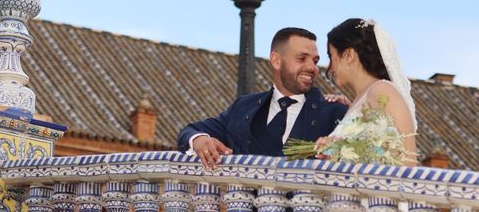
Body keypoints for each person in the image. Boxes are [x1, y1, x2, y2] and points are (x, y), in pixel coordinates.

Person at [177, 27, 348, 168]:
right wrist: (199, 140)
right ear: (275, 61)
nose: (312, 68)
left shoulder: (334, 112)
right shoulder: (243, 107)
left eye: (315, 61)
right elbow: (189, 131)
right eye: (302, 59)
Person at [316, 18, 417, 164]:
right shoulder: (362, 99)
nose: (329, 67)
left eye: (331, 56)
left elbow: (406, 159)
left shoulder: (383, 91)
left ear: (349, 55)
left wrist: (341, 150)